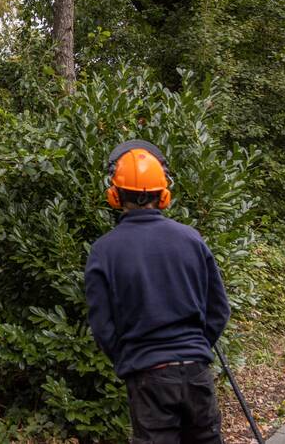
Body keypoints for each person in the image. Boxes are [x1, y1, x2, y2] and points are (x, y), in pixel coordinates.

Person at [85, 140, 230, 444]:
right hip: (196, 374)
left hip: (147, 376)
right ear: (164, 194)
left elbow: (103, 326)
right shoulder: (191, 239)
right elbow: (218, 309)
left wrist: (131, 357)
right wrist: (196, 348)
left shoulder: (104, 251)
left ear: (115, 194)